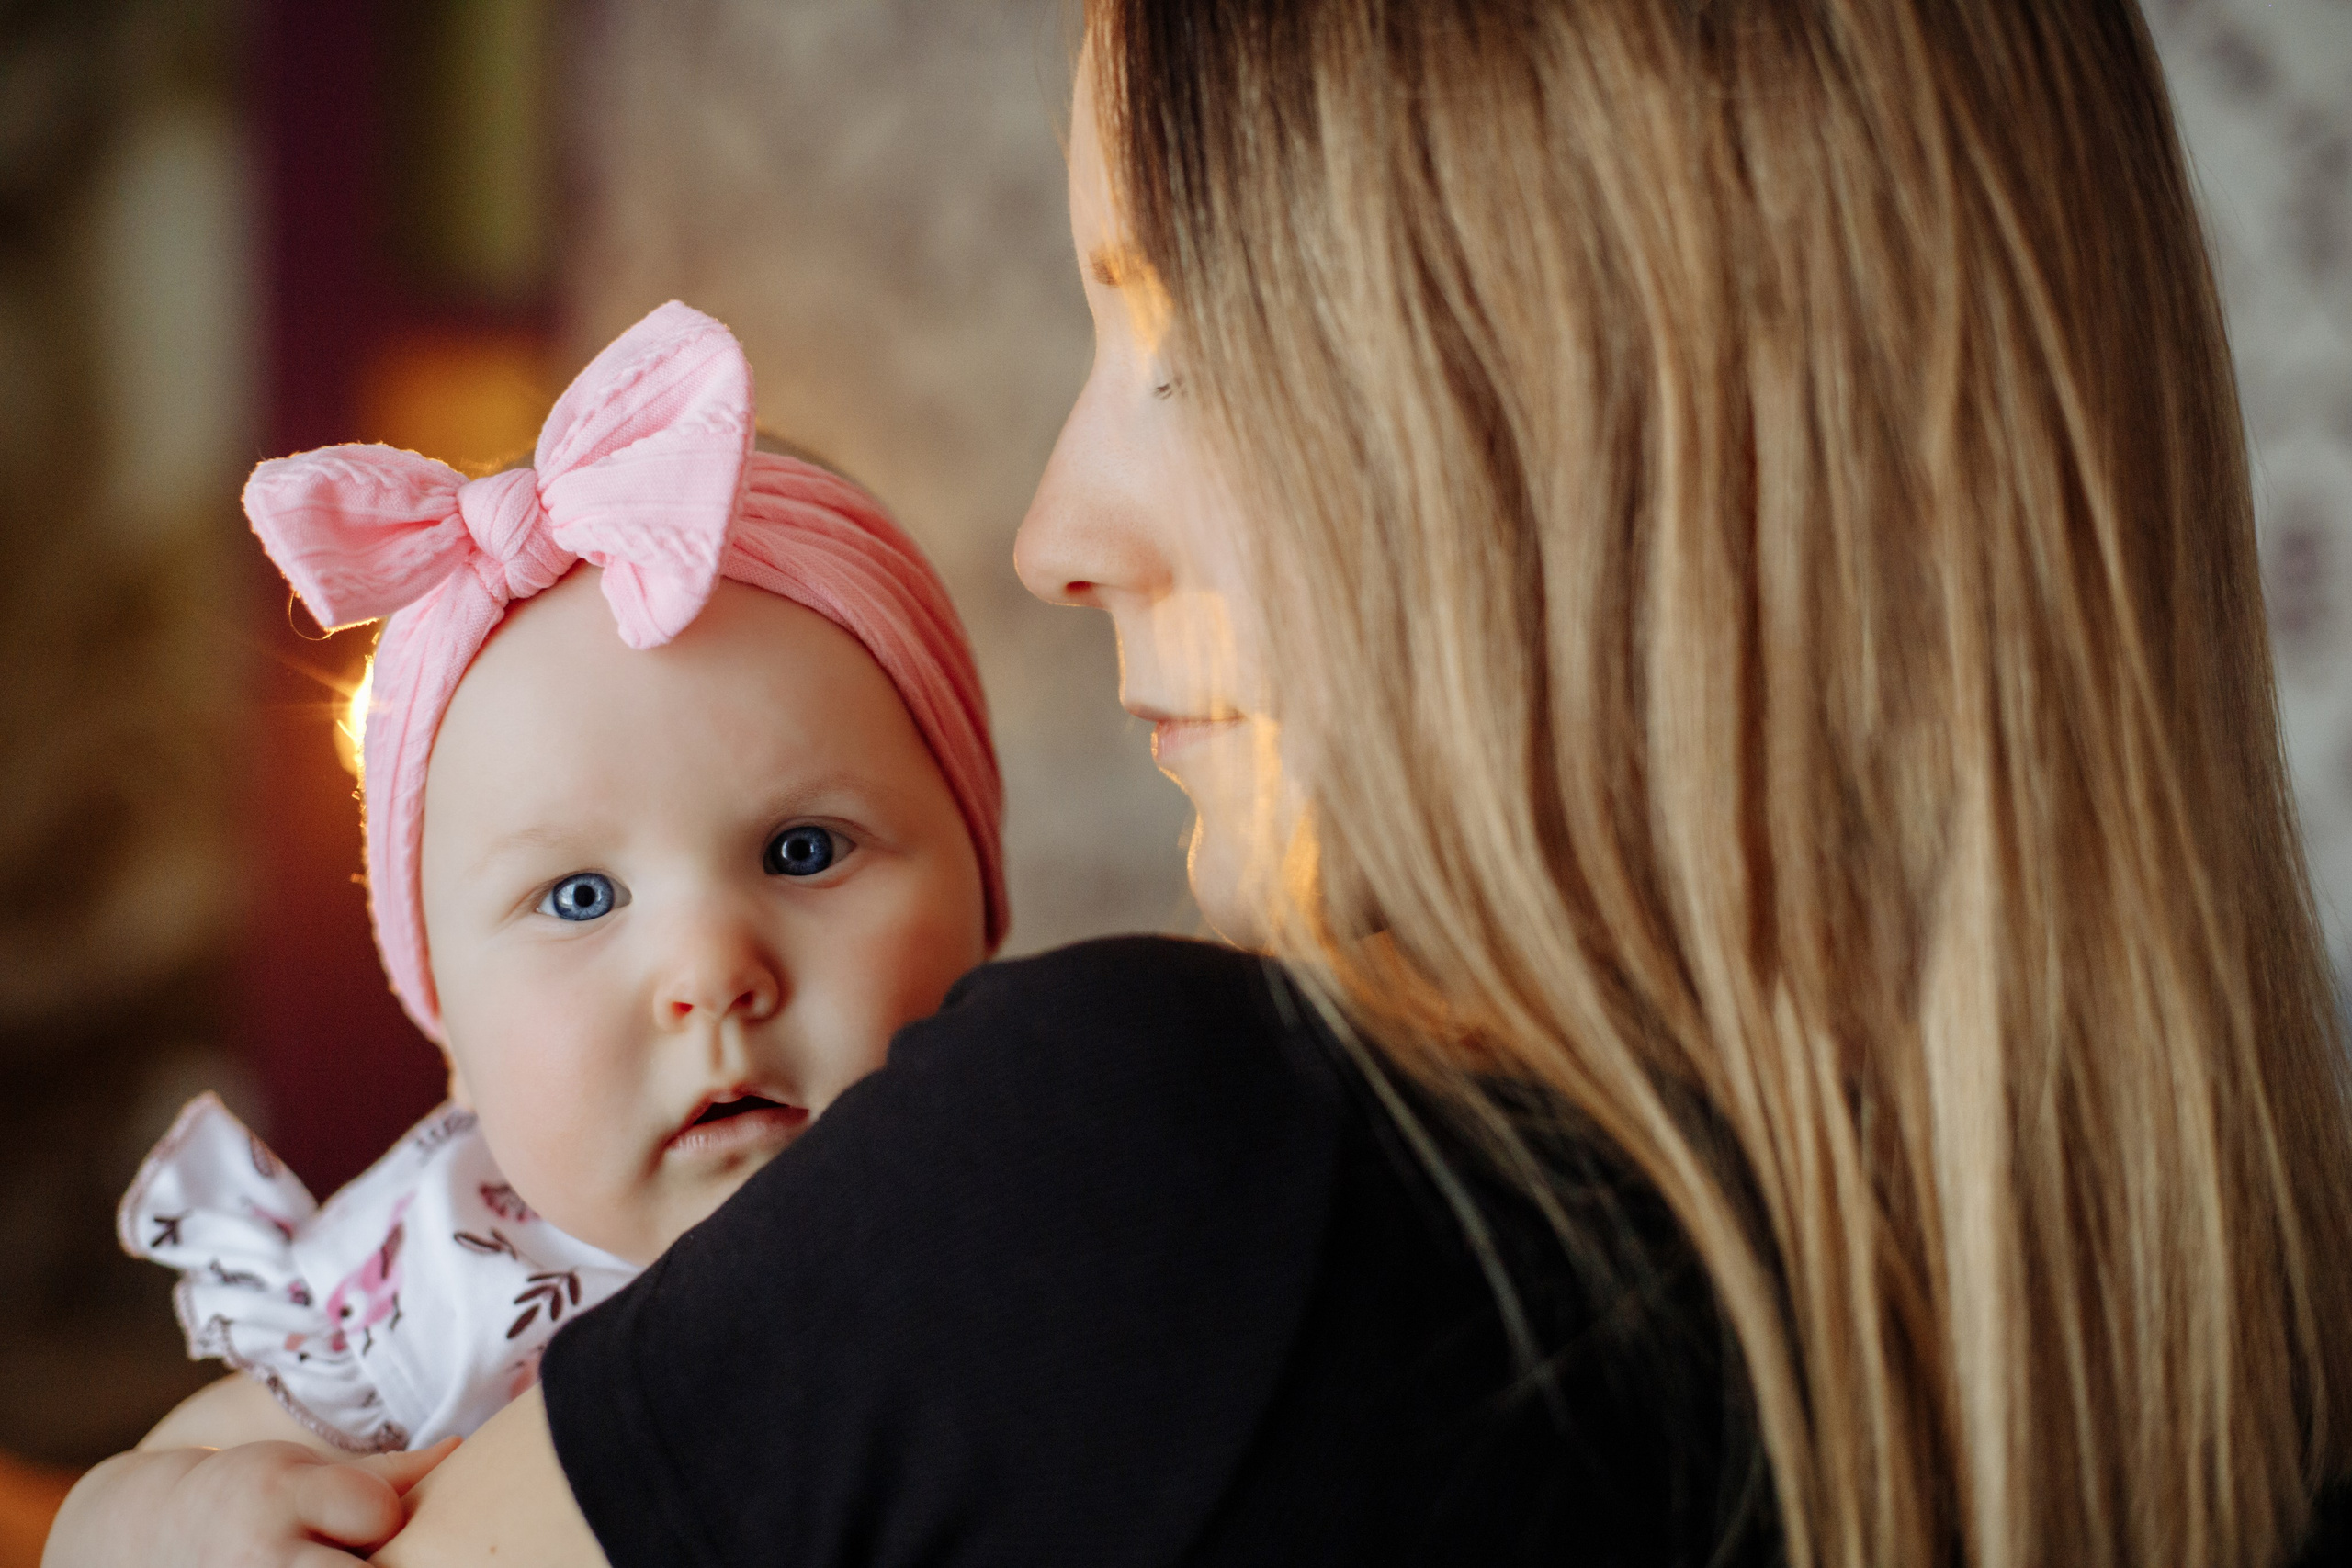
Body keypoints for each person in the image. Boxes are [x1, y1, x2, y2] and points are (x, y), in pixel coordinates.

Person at [74, 0, 2352, 1562]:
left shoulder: (1145, 1162)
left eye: (1181, 339)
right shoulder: (2215, 1345)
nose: (1056, 532)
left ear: (1599, 426)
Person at [42, 301, 1007, 1565]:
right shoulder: (443, 1287)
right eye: (580, 898)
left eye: (803, 851)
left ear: (984, 899)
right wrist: (165, 1520)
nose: (711, 972)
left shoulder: (1041, 1186)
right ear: (453, 1032)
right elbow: (126, 1510)